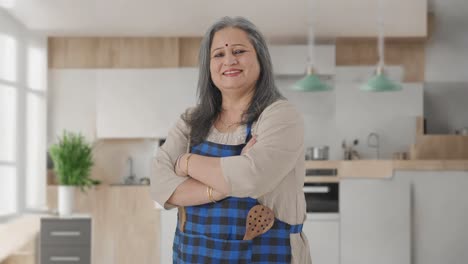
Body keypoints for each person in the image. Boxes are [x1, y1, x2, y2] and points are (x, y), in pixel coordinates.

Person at [151, 16, 311, 264]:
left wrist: (186, 163)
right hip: (193, 254)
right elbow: (161, 187)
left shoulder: (280, 115)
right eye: (218, 55)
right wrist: (223, 185)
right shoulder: (190, 121)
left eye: (239, 51)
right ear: (209, 66)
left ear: (260, 59)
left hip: (266, 253)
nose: (229, 60)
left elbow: (251, 178)